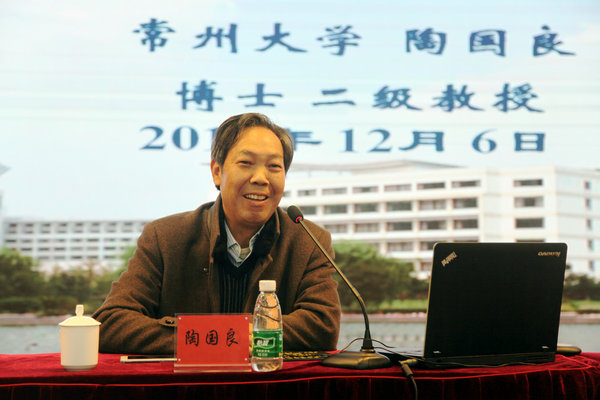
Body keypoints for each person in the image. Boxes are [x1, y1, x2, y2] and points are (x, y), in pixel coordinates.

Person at [93, 113, 341, 355]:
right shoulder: (165, 238)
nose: (260, 178)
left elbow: (323, 326)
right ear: (216, 171)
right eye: (246, 163)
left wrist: (235, 335)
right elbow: (111, 322)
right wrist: (217, 337)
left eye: (274, 166)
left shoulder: (309, 240)